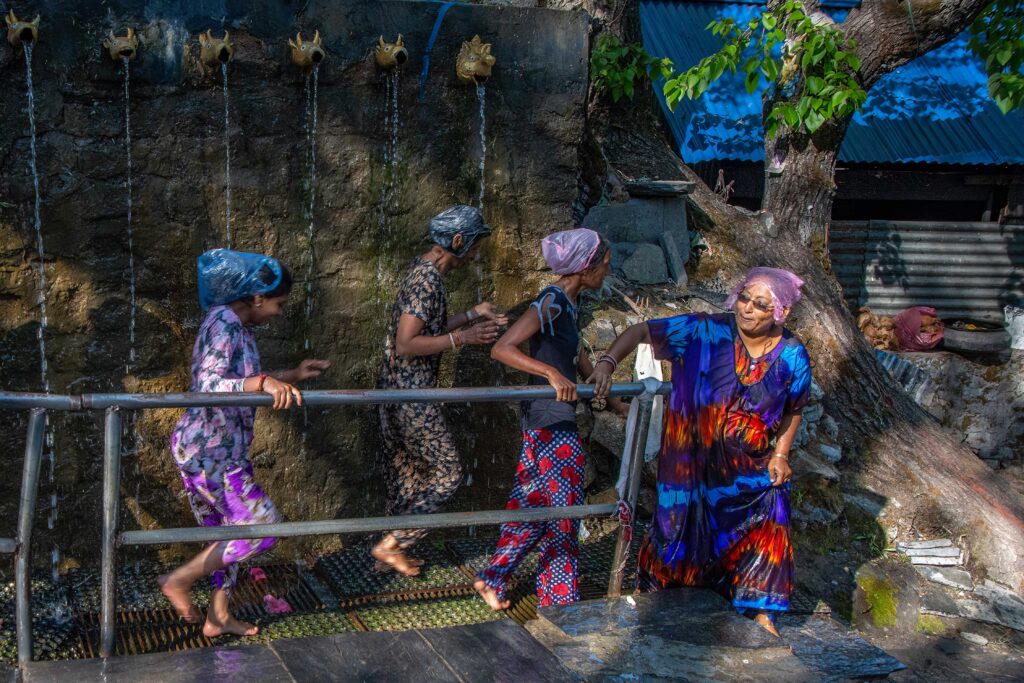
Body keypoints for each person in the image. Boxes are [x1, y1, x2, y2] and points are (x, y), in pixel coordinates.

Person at [588, 267, 811, 636]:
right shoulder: (704, 330)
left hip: (746, 468)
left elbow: (795, 407)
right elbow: (642, 330)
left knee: (772, 513)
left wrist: (782, 454)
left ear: (779, 312)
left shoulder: (792, 355)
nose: (748, 309)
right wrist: (607, 363)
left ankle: (761, 610)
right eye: (744, 298)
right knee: (675, 529)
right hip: (690, 465)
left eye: (760, 305)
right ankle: (658, 597)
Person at [158, 249, 330, 637]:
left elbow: (245, 380)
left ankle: (217, 617)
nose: (280, 312)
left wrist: (291, 374)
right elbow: (209, 387)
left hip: (214, 450)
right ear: (256, 298)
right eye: (278, 303)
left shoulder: (237, 327)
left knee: (228, 531)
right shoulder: (224, 325)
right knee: (262, 527)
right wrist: (265, 382)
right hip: (211, 452)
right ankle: (179, 580)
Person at [473, 228, 612, 610]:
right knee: (565, 514)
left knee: (531, 507)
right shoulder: (551, 300)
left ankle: (492, 578)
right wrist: (549, 374)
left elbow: (576, 357)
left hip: (546, 420)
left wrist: (613, 398)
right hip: (552, 424)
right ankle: (559, 601)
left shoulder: (569, 304)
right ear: (586, 267)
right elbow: (503, 349)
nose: (606, 271)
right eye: (604, 264)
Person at [373, 205, 508, 576]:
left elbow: (425, 325)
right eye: (476, 245)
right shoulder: (428, 279)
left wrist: (470, 314)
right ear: (458, 241)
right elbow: (406, 343)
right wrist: (462, 338)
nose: (477, 254)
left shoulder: (422, 272)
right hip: (412, 398)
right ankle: (390, 546)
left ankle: (389, 557)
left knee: (409, 476)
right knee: (447, 473)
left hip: (395, 395)